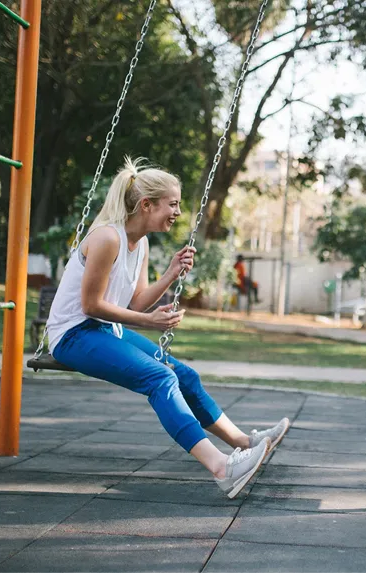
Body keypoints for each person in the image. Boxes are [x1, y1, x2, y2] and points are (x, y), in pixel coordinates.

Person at [46, 157, 289, 499]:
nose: (177, 211)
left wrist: (171, 273)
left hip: (103, 331)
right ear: (147, 204)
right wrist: (149, 322)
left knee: (184, 375)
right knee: (160, 378)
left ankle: (244, 442)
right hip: (73, 334)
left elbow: (136, 302)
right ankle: (221, 468)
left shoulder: (140, 243)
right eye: (172, 204)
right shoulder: (106, 238)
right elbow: (91, 305)